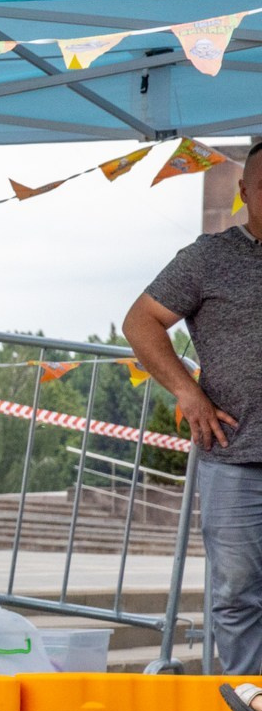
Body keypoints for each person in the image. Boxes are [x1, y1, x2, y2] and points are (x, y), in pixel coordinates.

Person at [124, 144, 262, 675]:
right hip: (234, 456)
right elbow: (140, 322)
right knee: (237, 594)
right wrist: (187, 391)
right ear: (244, 192)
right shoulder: (209, 256)